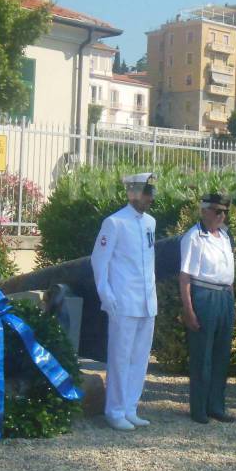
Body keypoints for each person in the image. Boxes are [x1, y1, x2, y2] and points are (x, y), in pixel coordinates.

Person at [91, 172, 158, 431]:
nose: (149, 198)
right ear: (132, 193)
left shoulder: (150, 223)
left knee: (140, 358)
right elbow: (99, 261)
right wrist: (106, 295)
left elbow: (148, 262)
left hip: (146, 301)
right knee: (120, 356)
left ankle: (131, 406)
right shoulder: (114, 222)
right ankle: (115, 410)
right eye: (145, 193)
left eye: (150, 193)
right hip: (123, 300)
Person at [179, 192, 236, 424]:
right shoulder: (193, 237)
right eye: (217, 211)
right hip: (204, 294)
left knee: (221, 354)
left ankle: (216, 406)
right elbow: (184, 277)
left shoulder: (224, 236)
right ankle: (199, 408)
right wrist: (189, 309)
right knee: (202, 354)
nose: (221, 215)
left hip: (224, 296)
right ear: (204, 211)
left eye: (224, 212)